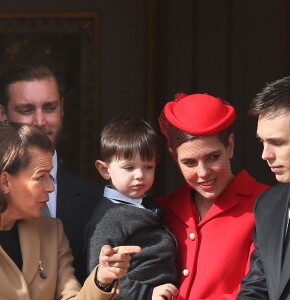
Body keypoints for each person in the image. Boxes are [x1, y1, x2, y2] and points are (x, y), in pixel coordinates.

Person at [0, 121, 141, 300]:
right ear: (5, 182)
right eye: (41, 177)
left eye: (50, 176)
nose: (51, 187)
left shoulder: (51, 231)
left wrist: (102, 278)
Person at [157, 93, 269, 300]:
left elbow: (262, 288)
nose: (203, 173)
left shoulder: (266, 205)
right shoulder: (160, 210)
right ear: (174, 157)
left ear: (230, 146)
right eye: (189, 162)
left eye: (213, 157)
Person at [0, 62, 100, 284]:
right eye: (26, 110)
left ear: (62, 108)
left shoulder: (95, 201)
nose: (40, 121)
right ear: (2, 114)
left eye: (49, 107)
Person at [86, 115, 179, 300]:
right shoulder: (109, 217)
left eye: (148, 167)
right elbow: (98, 273)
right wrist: (146, 294)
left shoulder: (148, 205)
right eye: (129, 167)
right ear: (104, 169)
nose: (140, 175)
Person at [237, 75, 290, 299]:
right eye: (262, 141)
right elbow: (257, 287)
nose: (265, 155)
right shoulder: (267, 204)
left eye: (278, 142)